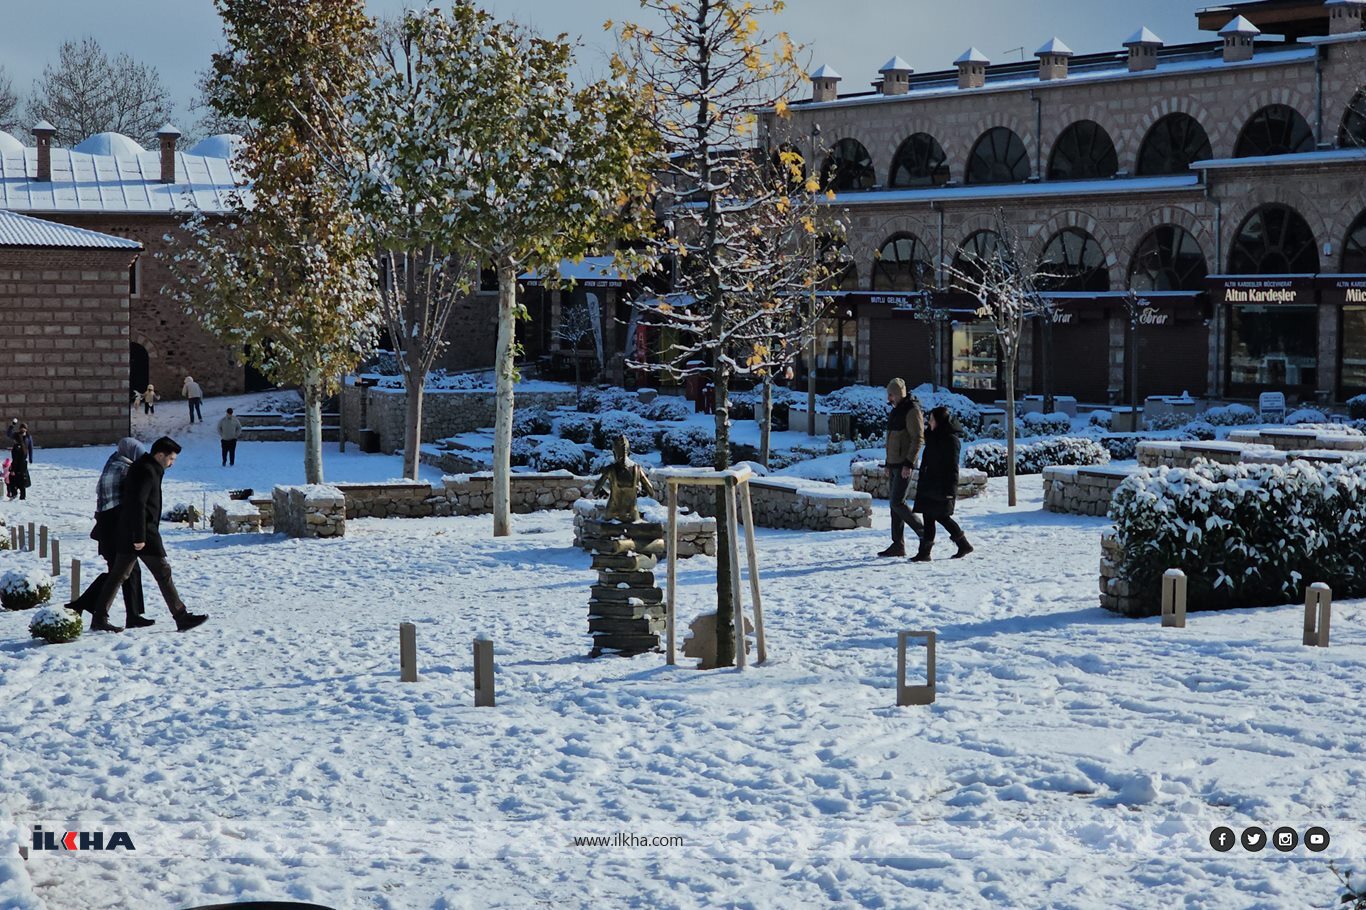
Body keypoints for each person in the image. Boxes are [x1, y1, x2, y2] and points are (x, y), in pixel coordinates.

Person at [85, 436, 208, 633]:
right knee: (162, 572)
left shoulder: (147, 467)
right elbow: (138, 504)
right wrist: (140, 537)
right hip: (141, 533)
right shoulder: (146, 470)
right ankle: (181, 616)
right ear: (160, 455)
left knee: (119, 575)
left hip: (133, 531)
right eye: (171, 459)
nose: (172, 464)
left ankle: (99, 617)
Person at [67, 438, 152, 628]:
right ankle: (92, 611)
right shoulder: (124, 469)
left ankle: (132, 615)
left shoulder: (113, 461)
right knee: (119, 572)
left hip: (107, 528)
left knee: (126, 571)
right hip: (113, 529)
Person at [911, 406, 974, 562]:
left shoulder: (951, 440)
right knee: (929, 516)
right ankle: (925, 553)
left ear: (939, 421)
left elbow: (952, 467)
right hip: (929, 483)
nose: (929, 423)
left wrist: (950, 489)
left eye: (932, 419)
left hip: (941, 486)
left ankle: (963, 544)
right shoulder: (933, 437)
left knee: (942, 516)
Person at [878, 378, 925, 558]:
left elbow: (918, 438)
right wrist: (888, 463)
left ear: (898, 393)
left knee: (897, 502)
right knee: (894, 506)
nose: (888, 398)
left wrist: (909, 463)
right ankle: (898, 545)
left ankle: (923, 533)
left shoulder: (912, 411)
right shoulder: (896, 411)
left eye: (891, 394)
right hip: (895, 463)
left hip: (905, 464)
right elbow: (891, 439)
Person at [8, 428, 31, 501]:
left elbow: (16, 459)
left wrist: (12, 469)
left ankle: (14, 494)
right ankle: (22, 496)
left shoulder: (17, 447)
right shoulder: (23, 446)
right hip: (23, 467)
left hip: (18, 467)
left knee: (12, 480)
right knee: (21, 482)